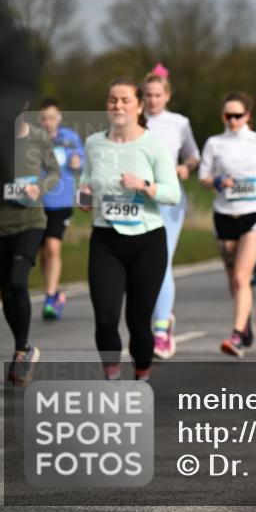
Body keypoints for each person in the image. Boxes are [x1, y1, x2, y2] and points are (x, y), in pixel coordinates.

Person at [79, 77, 180, 381]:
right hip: (106, 240)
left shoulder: (153, 145)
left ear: (138, 106)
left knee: (138, 321)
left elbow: (172, 193)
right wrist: (83, 196)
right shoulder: (94, 142)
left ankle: (142, 376)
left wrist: (144, 186)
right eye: (113, 100)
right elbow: (86, 179)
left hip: (147, 242)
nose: (118, 105)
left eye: (125, 100)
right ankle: (112, 379)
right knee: (106, 319)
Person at [0, 111, 59, 385]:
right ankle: (25, 346)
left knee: (18, 282)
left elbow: (54, 171)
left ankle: (21, 351)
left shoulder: (39, 138)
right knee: (7, 290)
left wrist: (39, 188)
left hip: (31, 223)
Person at [200, 92, 256, 357]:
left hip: (254, 212)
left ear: (248, 116)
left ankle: (237, 335)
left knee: (242, 277)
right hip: (224, 213)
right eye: (228, 116)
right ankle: (246, 323)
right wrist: (216, 182)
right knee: (234, 278)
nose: (233, 120)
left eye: (238, 116)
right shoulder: (214, 143)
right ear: (222, 116)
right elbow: (203, 177)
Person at [143, 66, 200, 359]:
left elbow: (193, 156)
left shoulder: (178, 123)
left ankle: (162, 329)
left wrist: (184, 167)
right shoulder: (133, 121)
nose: (152, 100)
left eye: (157, 95)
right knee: (141, 267)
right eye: (148, 95)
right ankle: (153, 320)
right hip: (139, 200)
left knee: (161, 262)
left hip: (169, 199)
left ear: (166, 96)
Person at [37, 98, 84, 320]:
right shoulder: (32, 139)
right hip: (37, 203)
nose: (48, 122)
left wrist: (77, 161)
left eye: (52, 117)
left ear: (59, 118)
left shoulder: (70, 138)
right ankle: (54, 292)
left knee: (53, 247)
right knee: (43, 253)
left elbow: (81, 160)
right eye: (44, 118)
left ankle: (48, 297)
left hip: (62, 201)